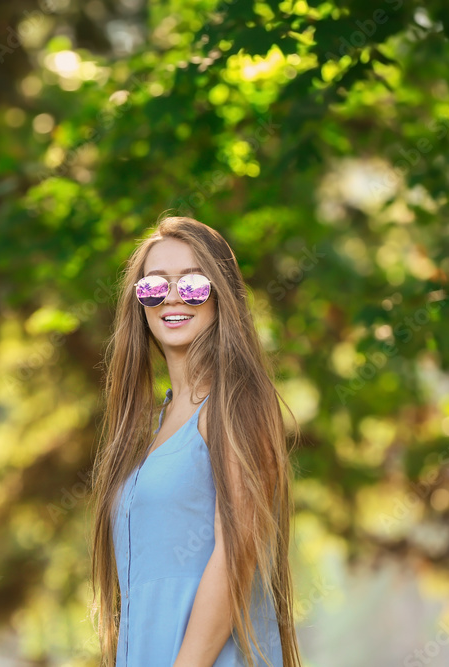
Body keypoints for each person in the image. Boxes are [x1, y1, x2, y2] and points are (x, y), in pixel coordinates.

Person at [89, 215, 303, 666]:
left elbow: (237, 554)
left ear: (221, 295)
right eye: (154, 285)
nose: (171, 297)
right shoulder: (152, 427)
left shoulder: (236, 401)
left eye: (192, 284)